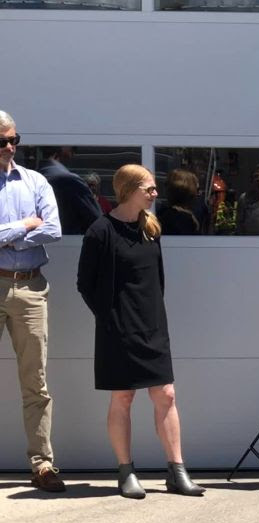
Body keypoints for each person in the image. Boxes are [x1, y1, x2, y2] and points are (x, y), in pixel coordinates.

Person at [77, 164, 204, 499]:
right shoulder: (100, 231)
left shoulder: (151, 228)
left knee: (166, 395)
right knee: (123, 397)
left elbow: (156, 280)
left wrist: (154, 318)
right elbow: (85, 284)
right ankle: (126, 471)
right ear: (129, 190)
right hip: (116, 329)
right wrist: (110, 318)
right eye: (149, 188)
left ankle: (177, 471)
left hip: (152, 325)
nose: (155, 193)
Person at [0, 111, 66, 492]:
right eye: (2, 141)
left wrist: (7, 235)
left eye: (14, 139)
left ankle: (42, 465)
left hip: (29, 288)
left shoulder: (35, 181)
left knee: (35, 381)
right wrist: (25, 226)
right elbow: (38, 227)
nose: (10, 147)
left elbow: (53, 230)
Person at [37, 146, 102, 234]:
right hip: (71, 244)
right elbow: (99, 223)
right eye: (73, 148)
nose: (74, 152)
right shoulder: (69, 180)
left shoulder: (29, 178)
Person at [158, 169, 201, 236]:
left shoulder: (165, 214)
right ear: (188, 192)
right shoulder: (181, 219)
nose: (199, 194)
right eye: (197, 190)